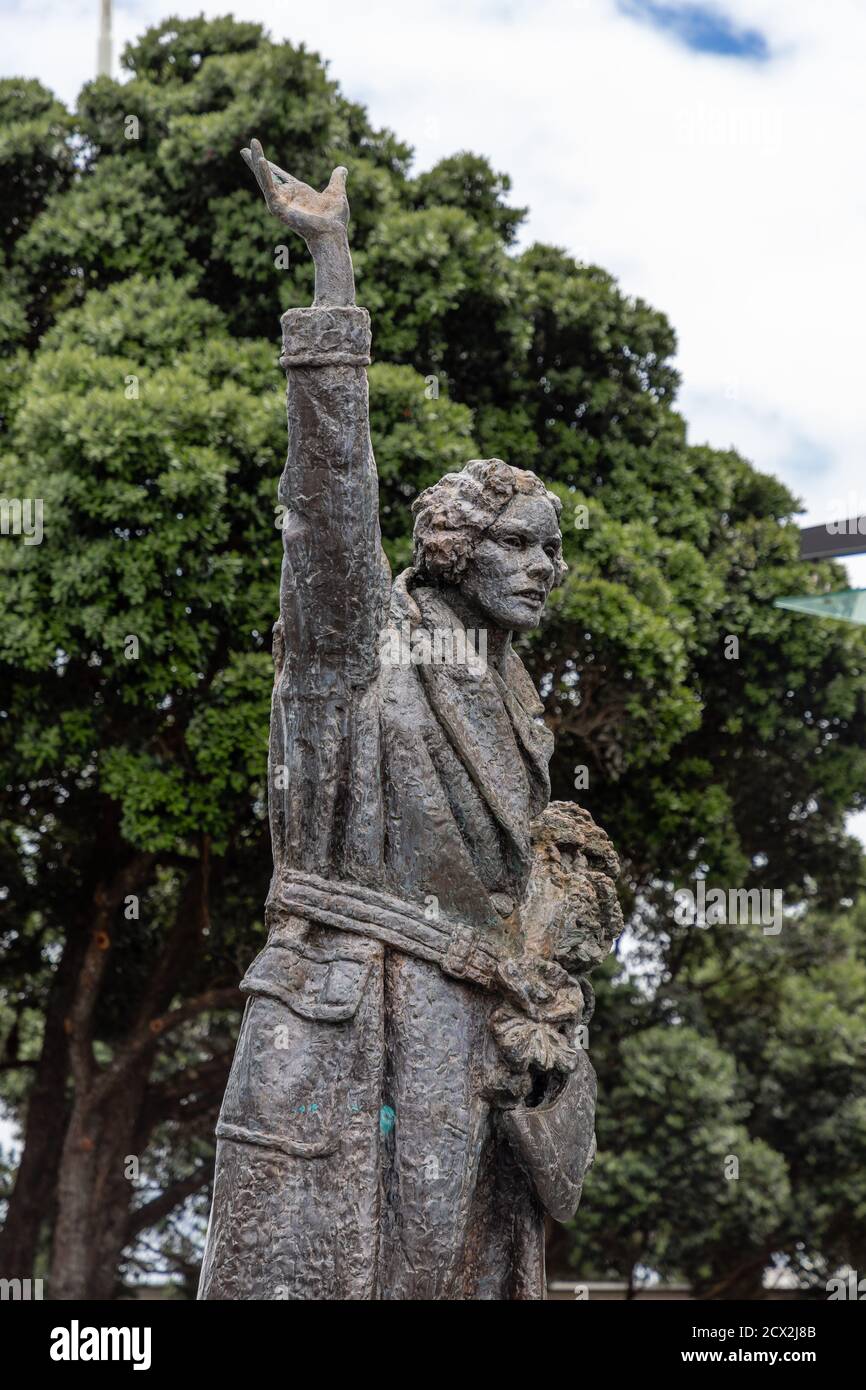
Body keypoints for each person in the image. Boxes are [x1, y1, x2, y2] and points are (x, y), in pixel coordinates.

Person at [198, 146, 621, 1301]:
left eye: (551, 546)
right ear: (452, 546)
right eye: (519, 544)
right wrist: (331, 278)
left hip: (475, 1062)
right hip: (357, 1029)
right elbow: (328, 499)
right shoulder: (354, 647)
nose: (547, 565)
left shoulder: (516, 704)